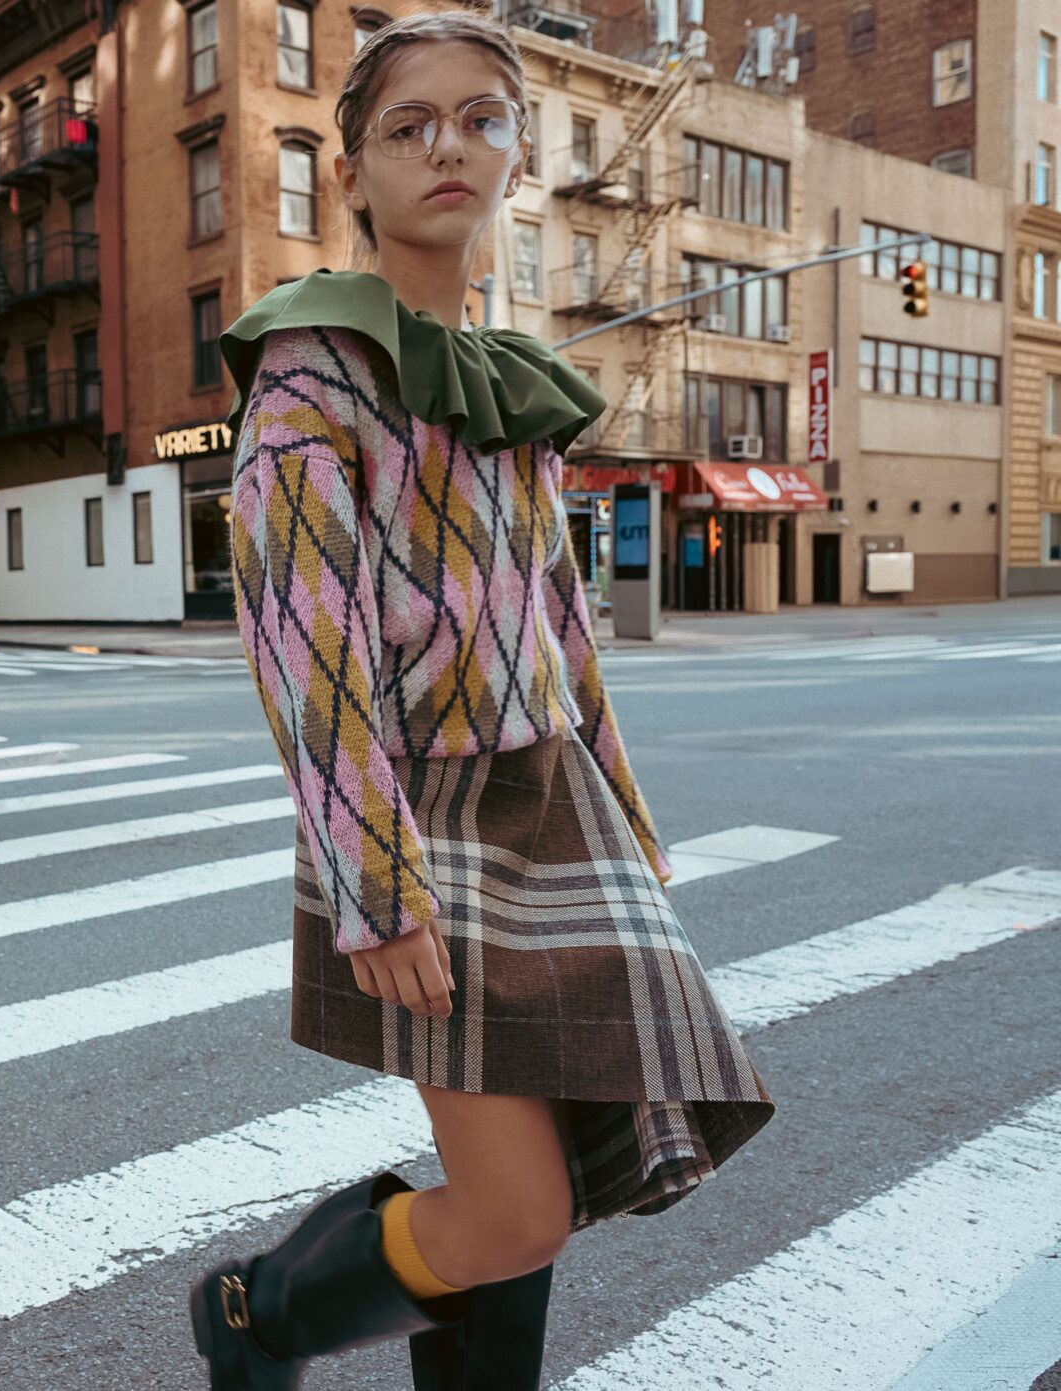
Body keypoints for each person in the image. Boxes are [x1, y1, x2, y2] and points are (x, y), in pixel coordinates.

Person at [188, 11, 776, 1389]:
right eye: (409, 126)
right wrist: (375, 888)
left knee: (561, 1176)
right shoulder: (312, 371)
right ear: (352, 174)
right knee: (514, 1211)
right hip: (421, 812)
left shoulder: (507, 380)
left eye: (481, 119)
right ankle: (258, 1312)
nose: (448, 146)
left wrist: (622, 812)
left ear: (517, 154)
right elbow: (303, 649)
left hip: (551, 798)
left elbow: (562, 627)